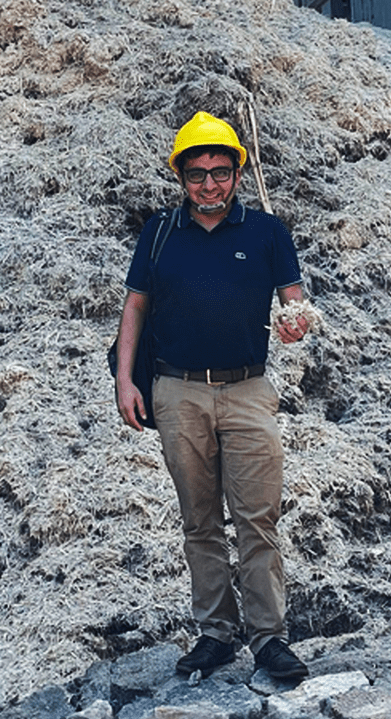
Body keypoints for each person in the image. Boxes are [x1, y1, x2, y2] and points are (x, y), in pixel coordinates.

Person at [114, 111, 310, 681]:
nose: (209, 184)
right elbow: (135, 308)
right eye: (196, 173)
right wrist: (127, 381)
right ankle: (215, 634)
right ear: (180, 176)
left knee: (258, 519)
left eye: (219, 171)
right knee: (199, 520)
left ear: (237, 173)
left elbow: (294, 302)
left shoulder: (268, 232)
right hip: (176, 391)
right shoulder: (159, 232)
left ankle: (269, 638)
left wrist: (298, 323)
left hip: (248, 389)